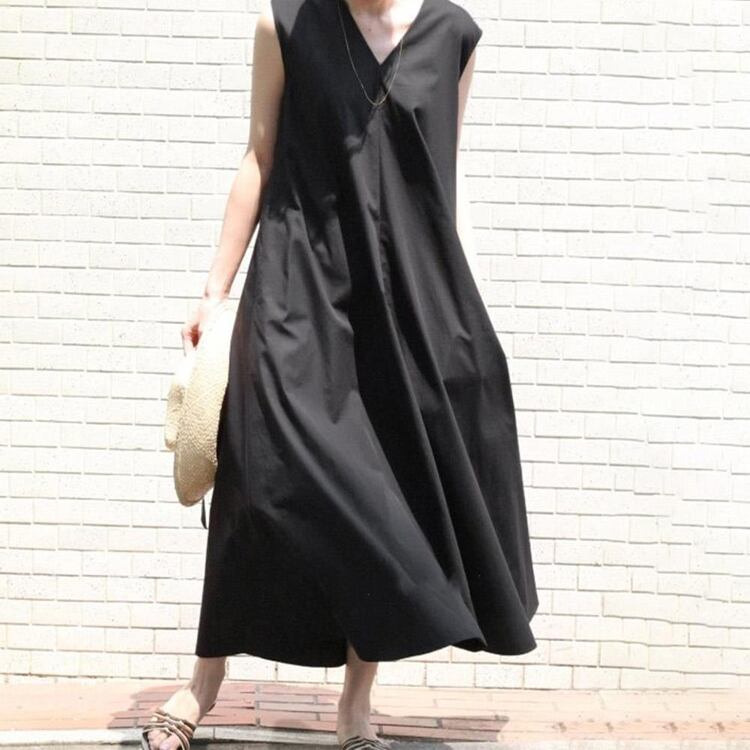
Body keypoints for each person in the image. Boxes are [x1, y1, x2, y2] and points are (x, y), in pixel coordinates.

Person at [141, 0, 538, 748]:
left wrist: (461, 310)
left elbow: (441, 182)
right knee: (257, 480)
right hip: (297, 284)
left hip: (404, 296)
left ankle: (355, 707)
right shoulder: (284, 23)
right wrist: (214, 290)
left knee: (387, 502)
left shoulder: (453, 35)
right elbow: (259, 159)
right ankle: (204, 682)